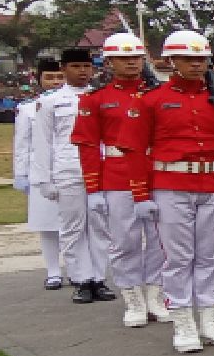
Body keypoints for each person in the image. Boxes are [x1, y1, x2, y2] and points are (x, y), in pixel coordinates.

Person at [128, 31, 214, 352]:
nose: (197, 65)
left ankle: (213, 320)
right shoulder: (152, 101)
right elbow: (136, 150)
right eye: (188, 59)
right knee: (179, 256)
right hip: (172, 185)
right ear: (171, 61)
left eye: (201, 59)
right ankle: (183, 322)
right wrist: (141, 195)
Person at [72, 32, 169, 327]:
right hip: (117, 174)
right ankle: (133, 299)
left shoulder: (158, 94)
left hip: (158, 171)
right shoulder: (96, 98)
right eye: (124, 57)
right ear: (109, 61)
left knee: (160, 239)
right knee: (124, 241)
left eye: (136, 57)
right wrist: (93, 188)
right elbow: (88, 146)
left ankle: (156, 294)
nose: (131, 62)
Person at [30, 47, 114, 304]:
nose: (82, 72)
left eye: (87, 67)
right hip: (68, 170)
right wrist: (44, 179)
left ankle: (99, 278)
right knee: (73, 227)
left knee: (100, 226)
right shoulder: (50, 102)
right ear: (64, 69)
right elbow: (42, 142)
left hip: (101, 170)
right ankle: (81, 279)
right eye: (76, 67)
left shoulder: (102, 97)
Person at [13, 59, 68, 291]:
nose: (55, 82)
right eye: (49, 78)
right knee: (48, 226)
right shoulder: (28, 108)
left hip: (72, 170)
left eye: (59, 77)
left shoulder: (78, 102)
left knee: (77, 226)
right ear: (39, 80)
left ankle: (79, 270)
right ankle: (53, 272)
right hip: (41, 172)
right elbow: (22, 143)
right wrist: (21, 174)